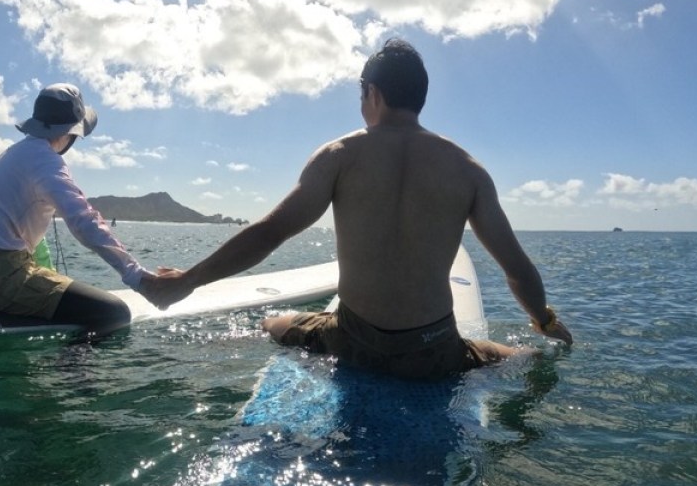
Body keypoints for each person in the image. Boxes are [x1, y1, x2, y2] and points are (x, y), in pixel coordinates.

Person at [143, 39, 572, 379]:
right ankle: (537, 344)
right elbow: (517, 269)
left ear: (373, 93)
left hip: (352, 344)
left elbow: (270, 232)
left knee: (271, 323)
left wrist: (189, 281)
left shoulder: (340, 155)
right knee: (526, 355)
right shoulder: (467, 171)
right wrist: (546, 320)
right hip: (434, 350)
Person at [0, 83, 165, 339]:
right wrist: (138, 278)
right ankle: (69, 377)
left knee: (77, 295)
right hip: (3, 281)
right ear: (70, 133)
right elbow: (84, 220)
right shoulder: (45, 161)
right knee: (113, 313)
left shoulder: (15, 153)